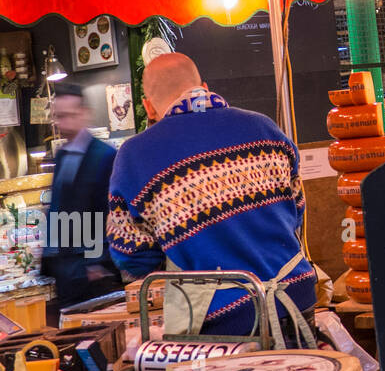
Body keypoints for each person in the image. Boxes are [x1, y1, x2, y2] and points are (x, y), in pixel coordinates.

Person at [107, 53, 315, 341]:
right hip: (296, 296)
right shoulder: (267, 130)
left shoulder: (134, 156)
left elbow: (131, 253)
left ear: (148, 107)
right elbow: (296, 212)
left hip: (222, 319)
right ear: (203, 86)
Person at [44, 84, 122, 310]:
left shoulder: (105, 155)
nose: (63, 123)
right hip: (65, 271)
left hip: (93, 272)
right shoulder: (61, 154)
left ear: (85, 113)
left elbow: (110, 213)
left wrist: (97, 262)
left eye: (70, 115)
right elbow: (58, 207)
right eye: (59, 117)